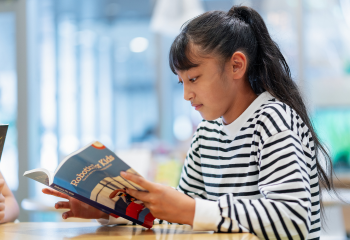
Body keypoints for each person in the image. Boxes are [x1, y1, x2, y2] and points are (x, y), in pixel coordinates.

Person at [43, 5, 336, 239]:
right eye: (181, 82)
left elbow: (293, 219)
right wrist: (111, 211)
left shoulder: (274, 120)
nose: (186, 94)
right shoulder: (207, 133)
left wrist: (191, 210)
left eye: (193, 79)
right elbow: (181, 216)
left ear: (236, 65)